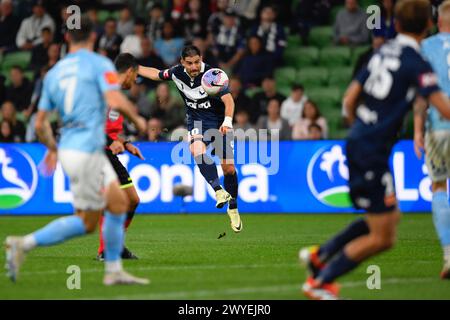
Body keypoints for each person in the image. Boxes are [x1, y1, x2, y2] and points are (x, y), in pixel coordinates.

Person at [299, 0, 450, 300]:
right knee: (384, 237)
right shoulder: (415, 61)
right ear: (428, 26)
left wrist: (363, 127)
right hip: (371, 151)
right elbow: (442, 108)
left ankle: (321, 255)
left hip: (362, 143)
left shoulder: (382, 51)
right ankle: (320, 282)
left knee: (387, 217)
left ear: (396, 24)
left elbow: (348, 99)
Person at [4, 16, 149, 286]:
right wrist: (137, 119)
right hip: (89, 149)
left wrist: (52, 148)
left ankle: (113, 265)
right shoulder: (99, 65)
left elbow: (39, 123)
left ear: (67, 40)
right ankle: (22, 244)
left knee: (120, 202)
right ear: (93, 39)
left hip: (72, 148)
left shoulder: (54, 73)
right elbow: (114, 98)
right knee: (88, 221)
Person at [137, 45, 243, 233]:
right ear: (182, 62)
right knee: (195, 149)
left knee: (228, 168)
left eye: (197, 62)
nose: (194, 67)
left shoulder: (213, 75)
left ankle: (233, 207)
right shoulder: (177, 73)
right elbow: (156, 74)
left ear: (201, 58)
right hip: (197, 122)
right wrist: (135, 68)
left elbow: (229, 100)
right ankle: (218, 191)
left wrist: (227, 121)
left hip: (219, 123)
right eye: (190, 63)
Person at [96, 53, 146, 262]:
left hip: (107, 149)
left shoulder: (117, 96)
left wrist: (124, 143)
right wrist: (111, 141)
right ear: (129, 72)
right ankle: (105, 250)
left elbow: (110, 128)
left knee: (132, 200)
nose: (135, 82)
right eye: (135, 77)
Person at [415, 0, 450, 279]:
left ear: (437, 21)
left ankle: (449, 255)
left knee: (439, 185)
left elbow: (421, 95)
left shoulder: (426, 48)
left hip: (438, 127)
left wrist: (417, 130)